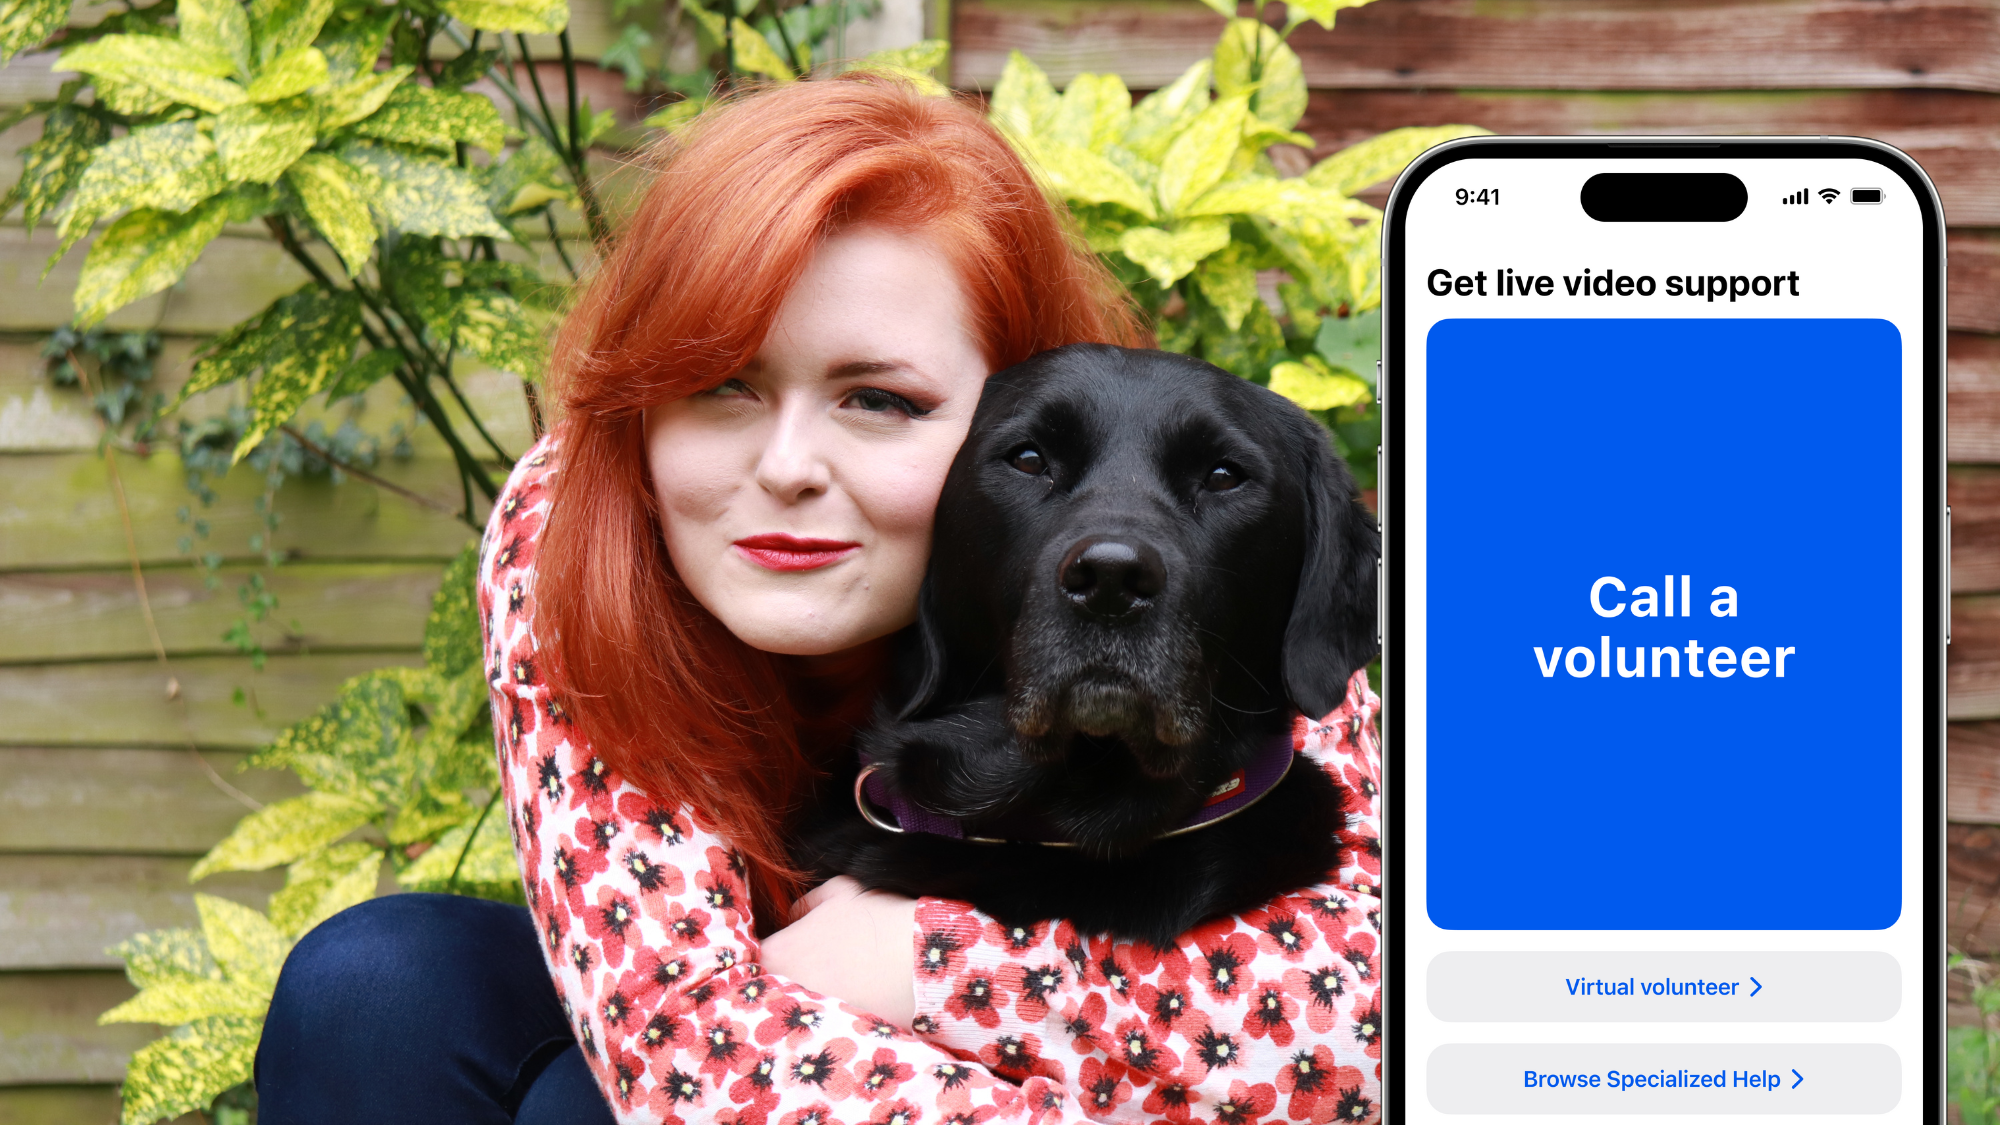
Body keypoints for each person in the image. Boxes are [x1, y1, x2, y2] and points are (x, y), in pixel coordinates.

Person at [255, 75, 1382, 1124]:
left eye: (878, 400)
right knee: (384, 990)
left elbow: (1357, 1039)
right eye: (719, 383)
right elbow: (682, 1043)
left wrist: (932, 969)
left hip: (1047, 986)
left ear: (1009, 408)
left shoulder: (1231, 565)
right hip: (727, 1017)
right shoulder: (580, 529)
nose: (788, 465)